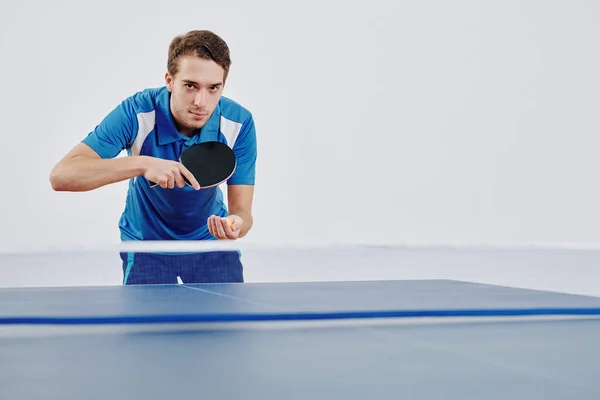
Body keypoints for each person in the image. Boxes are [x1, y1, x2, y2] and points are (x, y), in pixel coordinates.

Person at [49, 30, 257, 285]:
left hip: (210, 245)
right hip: (146, 246)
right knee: (148, 325)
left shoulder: (238, 123)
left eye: (213, 88)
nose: (201, 101)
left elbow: (243, 214)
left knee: (227, 324)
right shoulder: (137, 113)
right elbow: (62, 176)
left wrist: (235, 225)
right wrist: (143, 164)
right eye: (190, 86)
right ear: (169, 80)